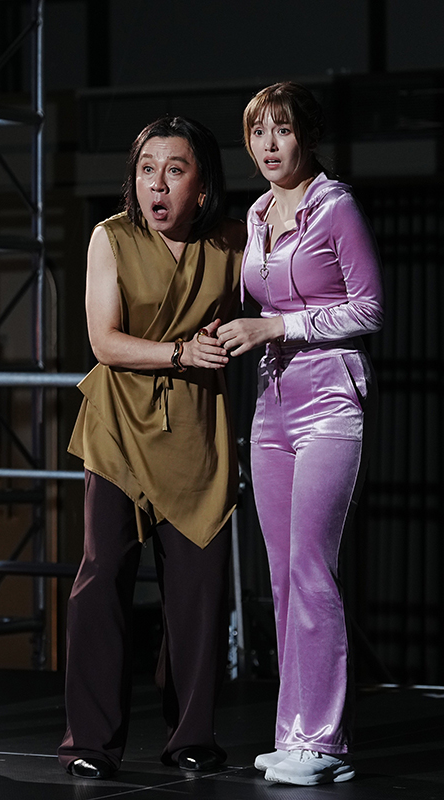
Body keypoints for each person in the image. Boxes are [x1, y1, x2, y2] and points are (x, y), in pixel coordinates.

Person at [58, 117, 245, 780]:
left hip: (197, 430)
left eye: (174, 170)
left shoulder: (232, 240)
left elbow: (264, 307)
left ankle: (191, 735)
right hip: (118, 427)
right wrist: (181, 352)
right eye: (146, 170)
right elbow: (104, 341)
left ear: (203, 185)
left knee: (199, 589)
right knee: (101, 577)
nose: (157, 185)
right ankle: (91, 741)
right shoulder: (110, 236)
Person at [217, 82, 382, 786]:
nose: (269, 144)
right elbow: (255, 303)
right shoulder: (257, 214)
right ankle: (294, 733)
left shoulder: (334, 206)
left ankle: (325, 741)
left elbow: (369, 308)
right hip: (272, 403)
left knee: (313, 569)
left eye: (281, 130)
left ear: (306, 137)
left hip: (331, 400)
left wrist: (277, 326)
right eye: (258, 132)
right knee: (282, 577)